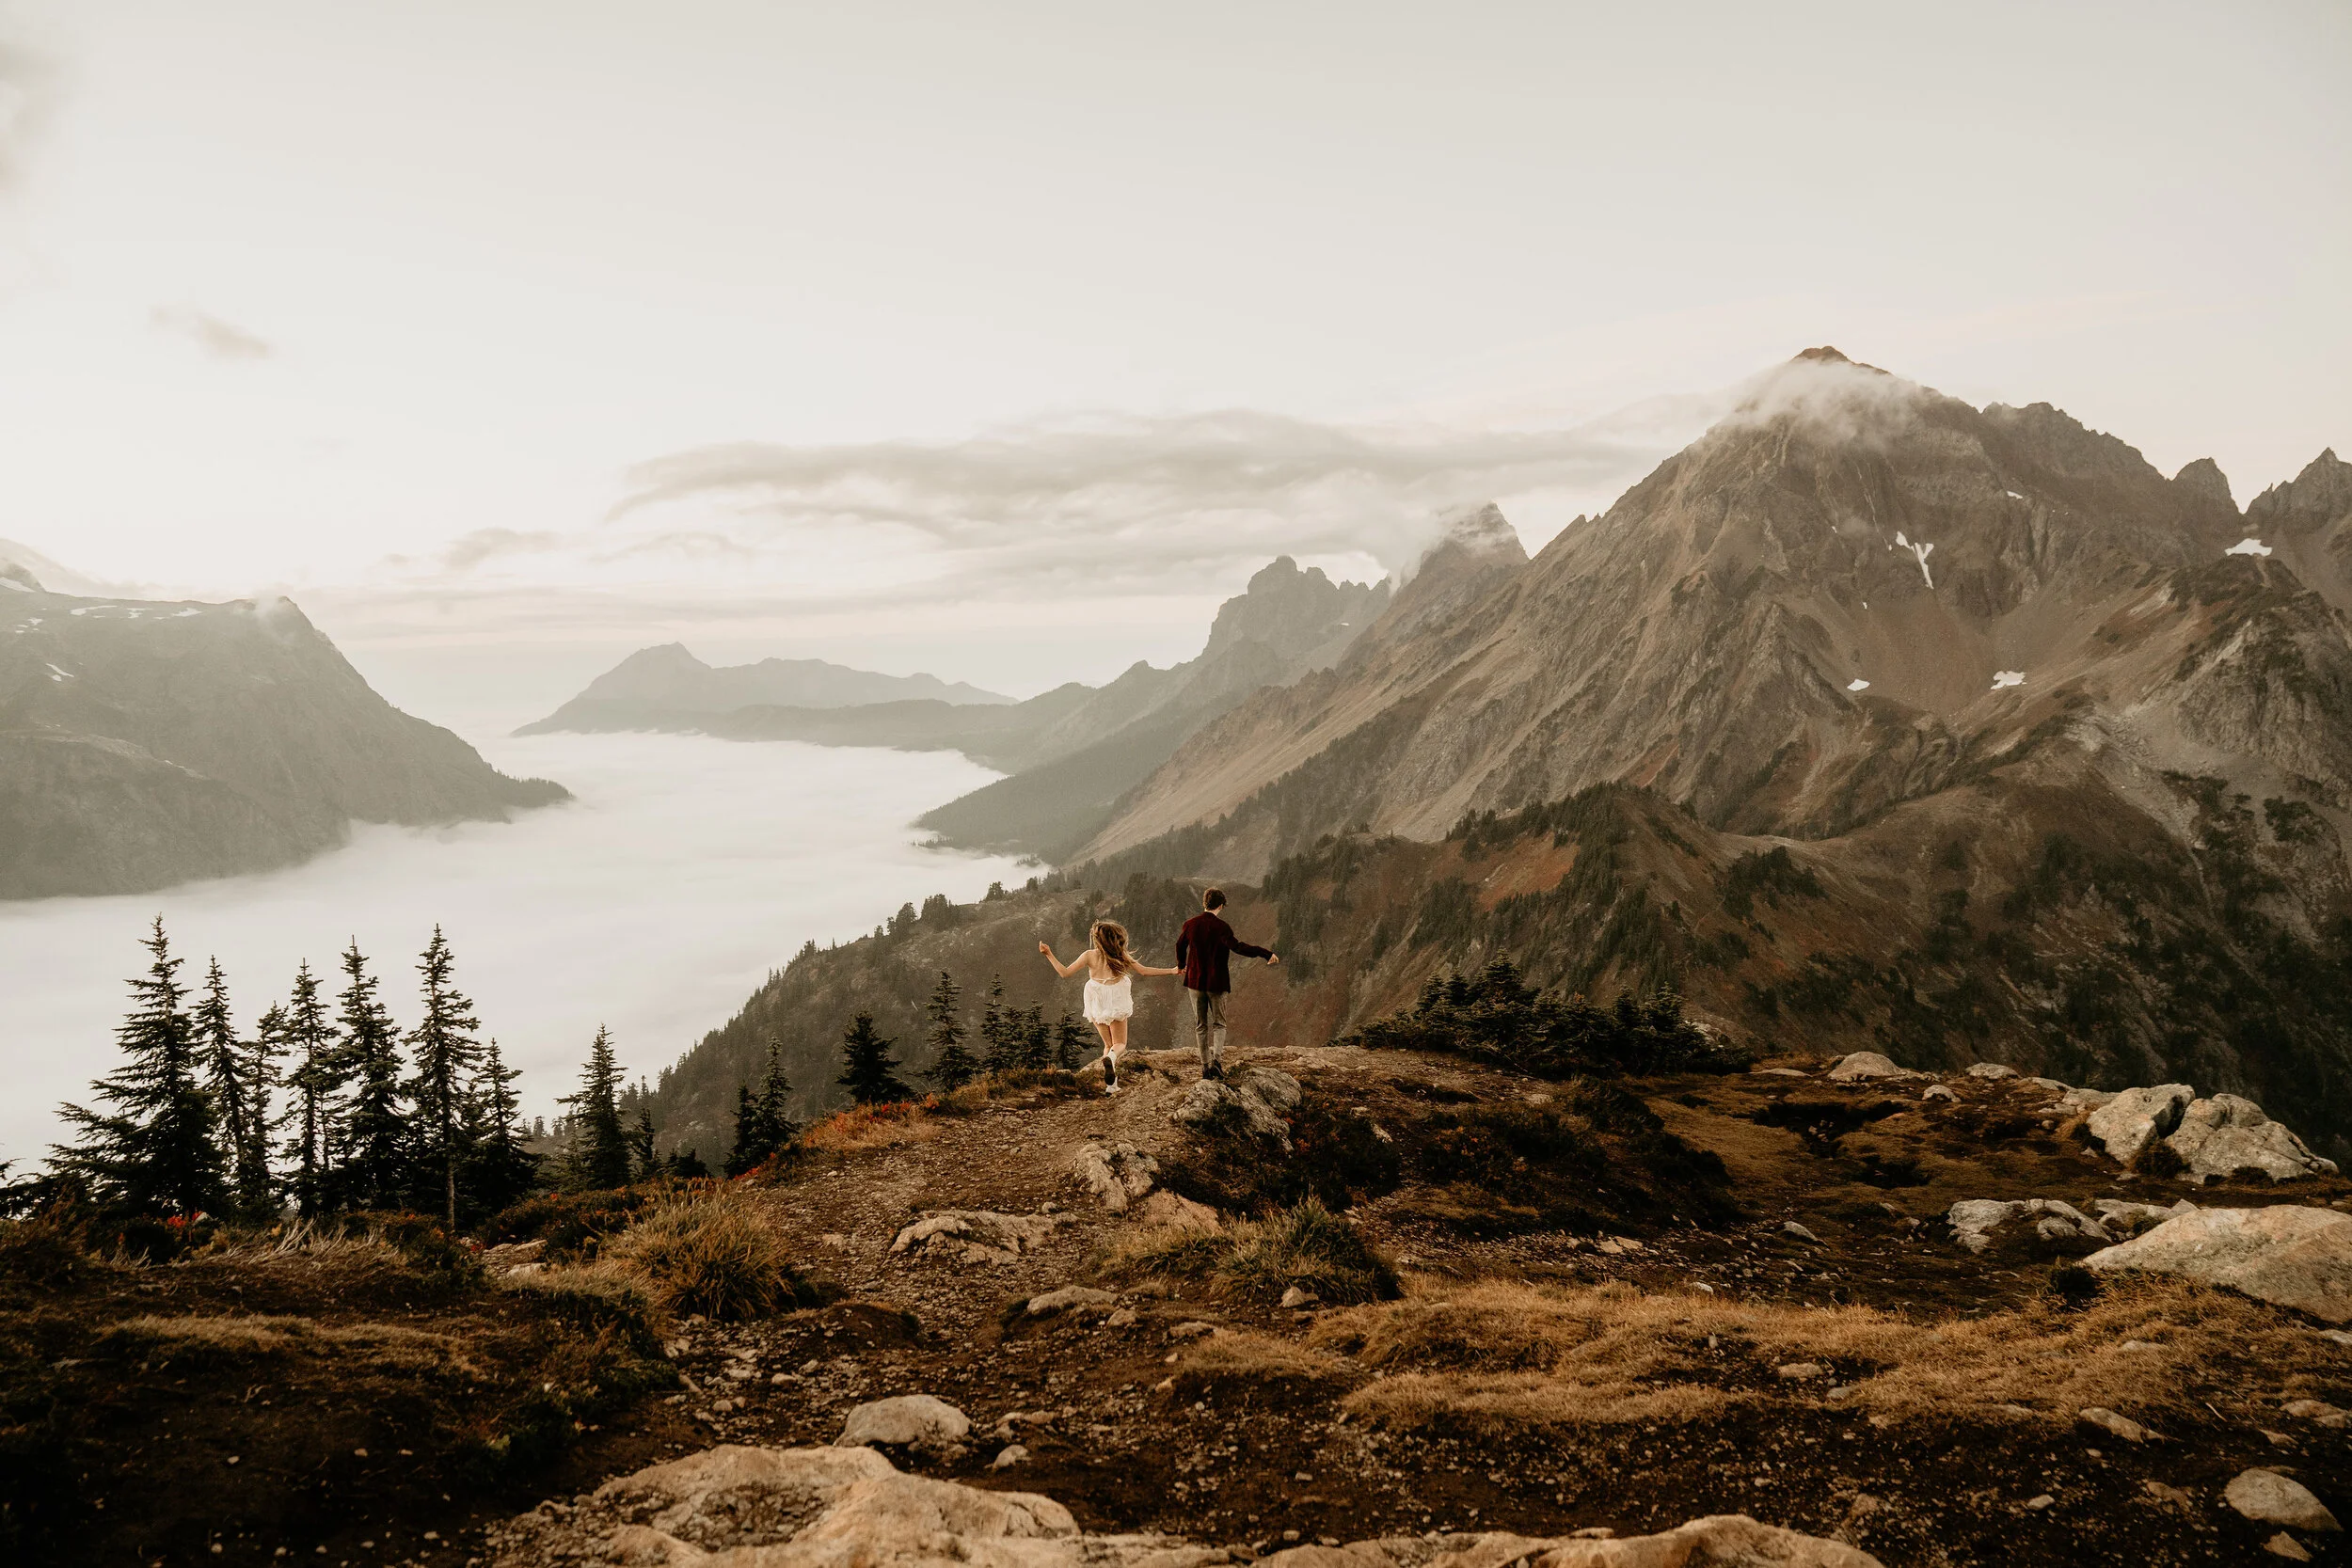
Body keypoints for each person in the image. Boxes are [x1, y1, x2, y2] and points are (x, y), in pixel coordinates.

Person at [1039, 922, 1178, 1093]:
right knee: (1119, 1044)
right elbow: (1144, 971)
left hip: (1095, 997)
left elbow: (1065, 973)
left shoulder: (1089, 955)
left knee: (1108, 1043)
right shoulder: (1121, 955)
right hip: (1116, 997)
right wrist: (1171, 971)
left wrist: (1049, 954)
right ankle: (1111, 1060)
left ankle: (1111, 1086)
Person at [1173, 887, 1279, 1081]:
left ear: (1204, 903)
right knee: (1219, 1024)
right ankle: (1217, 1063)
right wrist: (1265, 953)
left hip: (1195, 982)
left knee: (1201, 1026)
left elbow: (1180, 945)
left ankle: (1205, 1068)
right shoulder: (1222, 928)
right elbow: (1238, 947)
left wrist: (1181, 965)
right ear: (1221, 905)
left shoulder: (1190, 924)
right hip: (1217, 982)